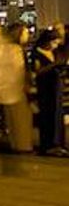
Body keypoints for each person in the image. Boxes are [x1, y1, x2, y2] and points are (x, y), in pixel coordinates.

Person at [0, 22, 33, 154]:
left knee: (12, 119)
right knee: (21, 119)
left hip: (8, 89)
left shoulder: (5, 49)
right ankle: (23, 146)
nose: (28, 36)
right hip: (17, 89)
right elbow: (18, 70)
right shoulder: (16, 50)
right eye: (25, 33)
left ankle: (16, 145)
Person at [30, 29, 67, 157]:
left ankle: (59, 143)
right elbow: (36, 71)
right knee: (47, 114)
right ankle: (48, 144)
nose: (55, 45)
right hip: (45, 88)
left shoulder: (55, 52)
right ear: (47, 41)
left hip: (56, 86)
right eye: (54, 42)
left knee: (58, 114)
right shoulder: (37, 53)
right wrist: (52, 66)